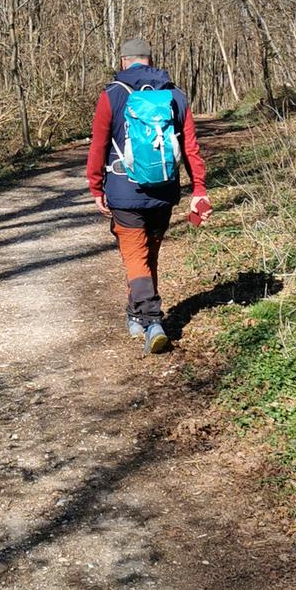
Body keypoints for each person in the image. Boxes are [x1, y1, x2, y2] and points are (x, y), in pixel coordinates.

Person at [87, 36, 211, 354]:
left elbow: (99, 145)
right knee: (147, 256)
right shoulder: (175, 95)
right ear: (150, 61)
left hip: (123, 188)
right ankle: (135, 314)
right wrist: (198, 189)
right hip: (164, 189)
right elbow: (191, 148)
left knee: (135, 257)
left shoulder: (112, 95)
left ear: (124, 63)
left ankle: (153, 321)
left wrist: (96, 185)